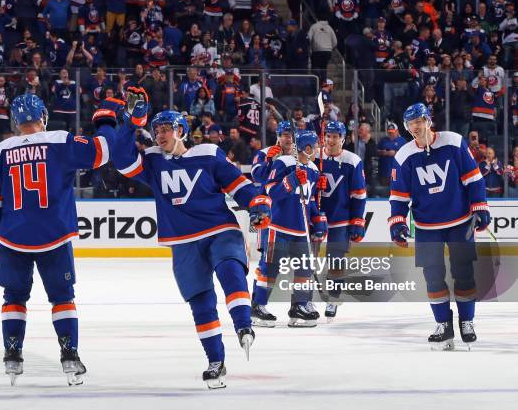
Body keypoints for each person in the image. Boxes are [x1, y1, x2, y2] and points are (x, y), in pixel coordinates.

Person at [94, 92, 271, 388]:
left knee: (230, 271)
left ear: (181, 131)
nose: (160, 134)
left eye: (166, 129)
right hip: (183, 241)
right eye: (156, 130)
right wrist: (132, 122)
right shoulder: (151, 160)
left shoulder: (208, 153)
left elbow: (240, 186)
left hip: (219, 229)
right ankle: (216, 361)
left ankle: (243, 324)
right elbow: (123, 160)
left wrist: (258, 205)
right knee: (200, 303)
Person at [0, 93, 115, 386]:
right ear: (42, 115)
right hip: (55, 235)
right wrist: (106, 122)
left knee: (13, 298)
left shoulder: (0, 150)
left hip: (14, 238)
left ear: (16, 121)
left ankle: (12, 356)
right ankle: (69, 354)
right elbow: (101, 152)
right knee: (63, 297)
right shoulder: (59, 139)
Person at [389, 103, 490, 351]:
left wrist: (480, 206)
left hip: (459, 222)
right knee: (433, 277)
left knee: (463, 273)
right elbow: (399, 196)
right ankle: (443, 324)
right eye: (411, 123)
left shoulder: (453, 142)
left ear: (428, 120)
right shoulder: (403, 155)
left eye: (419, 121)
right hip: (426, 226)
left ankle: (467, 321)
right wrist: (398, 222)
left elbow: (474, 178)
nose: (416, 127)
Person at [252, 126, 327, 327]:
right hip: (279, 225)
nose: (316, 149)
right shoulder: (283, 163)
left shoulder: (313, 169)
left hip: (301, 229)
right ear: (304, 146)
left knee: (305, 268)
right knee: (270, 267)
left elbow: (310, 200)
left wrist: (316, 219)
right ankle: (257, 306)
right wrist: (290, 181)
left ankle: (299, 306)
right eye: (313, 145)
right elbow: (270, 191)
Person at [316, 120, 367, 320]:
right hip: (315, 218)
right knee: (306, 259)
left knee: (335, 261)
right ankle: (304, 299)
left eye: (335, 136)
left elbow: (359, 194)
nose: (330, 140)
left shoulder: (352, 160)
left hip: (340, 219)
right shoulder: (315, 156)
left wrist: (357, 221)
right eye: (328, 136)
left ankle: (333, 298)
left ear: (343, 139)